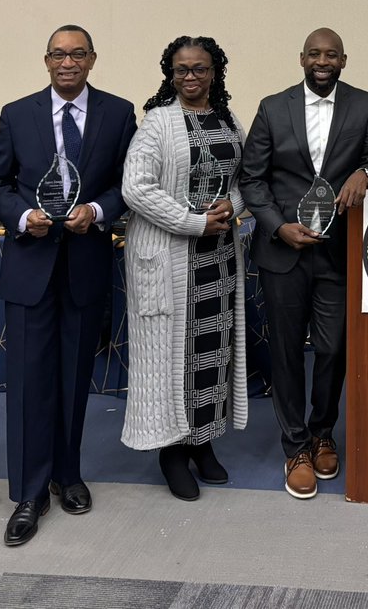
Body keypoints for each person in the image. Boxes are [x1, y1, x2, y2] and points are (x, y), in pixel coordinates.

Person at [0, 25, 137, 546]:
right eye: (58, 54)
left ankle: (67, 475)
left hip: (85, 263)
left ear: (92, 59)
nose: (67, 62)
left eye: (77, 54)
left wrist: (96, 210)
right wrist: (21, 216)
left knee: (74, 377)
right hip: (30, 264)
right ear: (46, 61)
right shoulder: (17, 113)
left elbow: (127, 184)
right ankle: (30, 493)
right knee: (29, 381)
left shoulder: (118, 113)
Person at [239, 28, 368, 499]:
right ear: (302, 58)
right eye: (315, 54)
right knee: (285, 352)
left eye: (332, 55)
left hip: (338, 251)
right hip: (284, 251)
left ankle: (323, 432)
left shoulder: (364, 106)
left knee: (332, 349)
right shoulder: (272, 107)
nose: (323, 61)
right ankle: (296, 446)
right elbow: (252, 179)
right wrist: (277, 226)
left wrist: (365, 172)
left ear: (344, 60)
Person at [121, 36, 248, 501]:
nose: (190, 77)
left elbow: (242, 181)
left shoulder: (230, 120)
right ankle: (172, 452)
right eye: (182, 70)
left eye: (199, 69)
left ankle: (203, 441)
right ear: (170, 75)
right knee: (172, 359)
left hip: (219, 259)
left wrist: (231, 207)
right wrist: (194, 222)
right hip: (169, 259)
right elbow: (136, 188)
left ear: (215, 72)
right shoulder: (157, 123)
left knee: (212, 352)